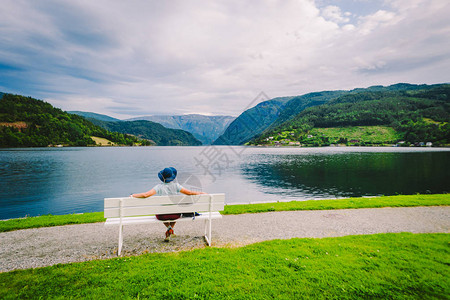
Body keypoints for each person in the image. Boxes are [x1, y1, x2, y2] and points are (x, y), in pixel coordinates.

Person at [130, 167, 205, 242]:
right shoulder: (176, 186)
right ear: (172, 177)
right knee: (176, 210)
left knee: (162, 211)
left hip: (162, 216)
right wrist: (201, 193)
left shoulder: (158, 187)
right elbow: (189, 193)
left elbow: (146, 195)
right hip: (175, 215)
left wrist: (133, 195)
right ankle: (170, 229)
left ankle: (169, 228)